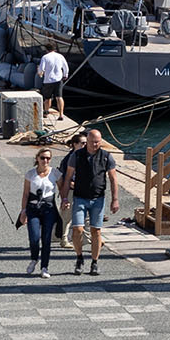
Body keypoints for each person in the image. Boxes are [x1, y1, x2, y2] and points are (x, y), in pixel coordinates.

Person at [59, 129, 118, 276]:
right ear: (87, 141)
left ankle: (94, 262)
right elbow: (67, 177)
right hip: (80, 197)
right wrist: (65, 197)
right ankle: (79, 257)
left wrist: (115, 199)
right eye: (92, 142)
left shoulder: (106, 157)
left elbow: (113, 178)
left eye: (97, 142)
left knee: (96, 231)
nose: (94, 144)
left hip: (98, 198)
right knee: (77, 229)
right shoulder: (76, 156)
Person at [16, 148, 61, 277]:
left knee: (46, 239)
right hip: (33, 208)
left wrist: (64, 199)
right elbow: (25, 194)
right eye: (42, 158)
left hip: (49, 208)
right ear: (37, 158)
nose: (45, 160)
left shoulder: (55, 173)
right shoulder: (30, 174)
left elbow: (62, 188)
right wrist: (23, 211)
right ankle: (34, 258)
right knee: (34, 237)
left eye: (48, 158)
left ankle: (44, 267)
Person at [37, 42, 69, 121]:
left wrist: (39, 72)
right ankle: (61, 114)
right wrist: (65, 75)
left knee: (47, 98)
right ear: (54, 49)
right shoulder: (60, 56)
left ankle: (46, 112)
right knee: (59, 97)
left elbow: (41, 69)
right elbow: (66, 67)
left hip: (48, 80)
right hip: (58, 79)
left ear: (46, 49)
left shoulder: (45, 57)